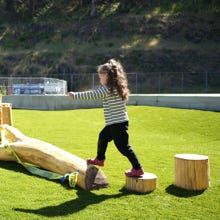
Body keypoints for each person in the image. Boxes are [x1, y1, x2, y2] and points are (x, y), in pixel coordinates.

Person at [68, 59, 144, 177]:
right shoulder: (116, 87)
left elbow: (92, 94)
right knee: (103, 136)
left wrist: (75, 95)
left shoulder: (107, 89)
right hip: (116, 123)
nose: (100, 80)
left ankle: (138, 168)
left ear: (107, 75)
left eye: (100, 77)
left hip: (116, 123)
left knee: (124, 148)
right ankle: (100, 159)